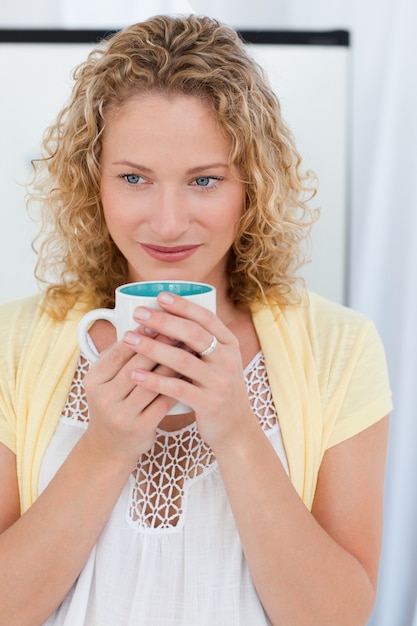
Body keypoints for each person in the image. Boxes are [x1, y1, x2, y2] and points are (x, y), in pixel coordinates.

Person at [0, 14, 392, 626]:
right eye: (134, 179)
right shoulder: (12, 345)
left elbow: (336, 617)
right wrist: (105, 449)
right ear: (92, 184)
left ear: (251, 187)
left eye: (204, 181)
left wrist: (236, 430)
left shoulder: (342, 348)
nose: (168, 222)